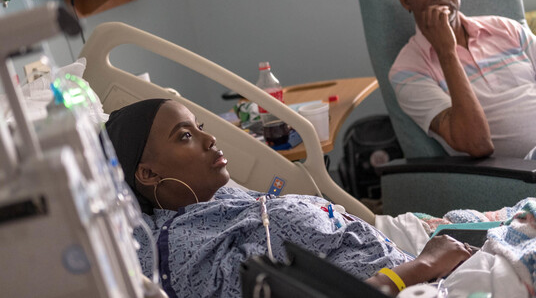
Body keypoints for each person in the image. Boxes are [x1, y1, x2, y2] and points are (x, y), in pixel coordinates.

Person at [105, 98, 474, 297]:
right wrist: (423, 266)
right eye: (185, 136)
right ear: (149, 174)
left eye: (200, 127)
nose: (209, 139)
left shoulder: (216, 206)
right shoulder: (188, 252)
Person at [389, 0, 536, 160]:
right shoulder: (407, 70)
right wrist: (446, 52)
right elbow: (477, 143)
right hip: (535, 168)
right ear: (405, 0)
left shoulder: (505, 28)